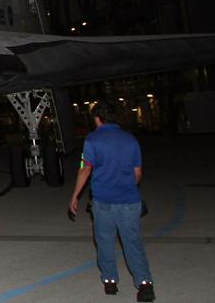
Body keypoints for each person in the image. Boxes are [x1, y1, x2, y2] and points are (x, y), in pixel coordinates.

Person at [68, 102, 155, 301]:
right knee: (132, 242)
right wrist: (126, 188)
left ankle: (110, 281)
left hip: (103, 201)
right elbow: (138, 173)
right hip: (129, 201)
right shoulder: (131, 140)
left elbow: (86, 169)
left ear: (97, 118)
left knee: (105, 241)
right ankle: (144, 283)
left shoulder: (92, 140)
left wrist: (75, 195)